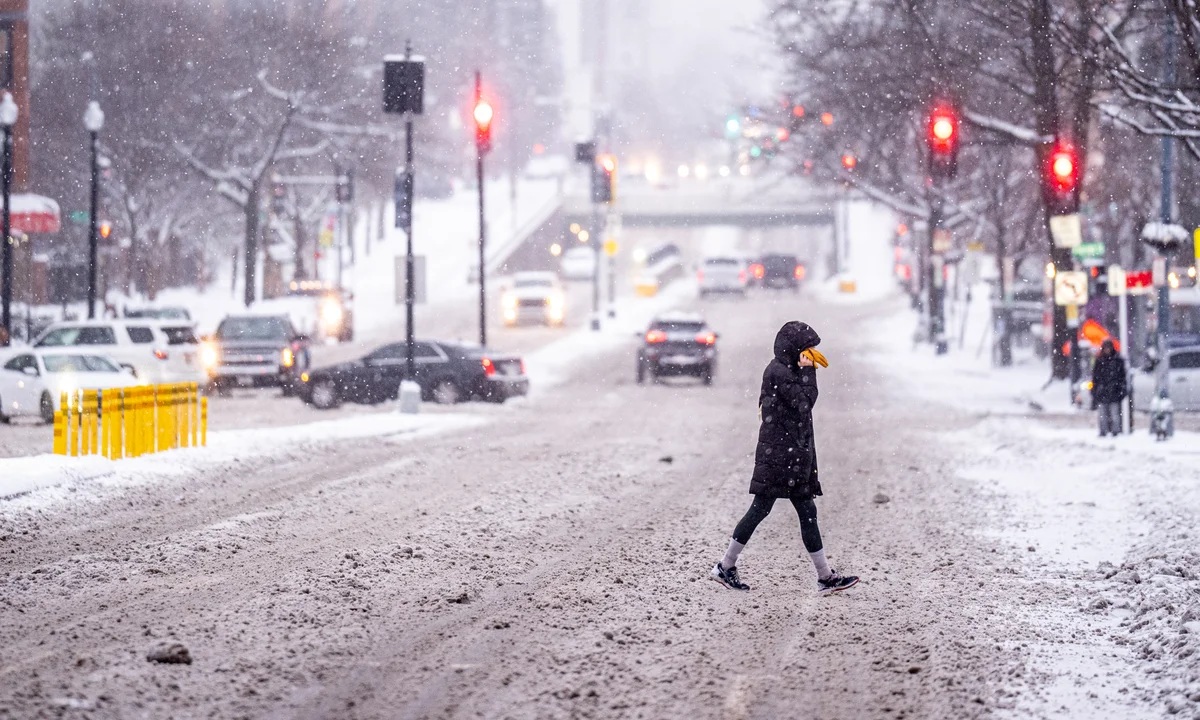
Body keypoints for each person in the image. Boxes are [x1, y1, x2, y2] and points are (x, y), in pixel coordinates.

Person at [710, 321, 859, 596]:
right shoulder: (780, 372)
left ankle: (823, 575)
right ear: (795, 349)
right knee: (766, 509)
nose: (812, 353)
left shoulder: (784, 369)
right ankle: (726, 565)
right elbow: (805, 404)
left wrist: (804, 370)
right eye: (808, 348)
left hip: (789, 456)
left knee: (798, 512)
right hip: (781, 457)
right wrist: (808, 371)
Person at [1091, 338, 1127, 437]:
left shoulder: (1116, 361)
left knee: (1114, 413)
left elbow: (1121, 376)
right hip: (1105, 391)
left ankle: (1115, 430)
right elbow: (1095, 377)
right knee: (1104, 414)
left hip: (1112, 391)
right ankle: (1105, 430)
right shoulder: (1102, 361)